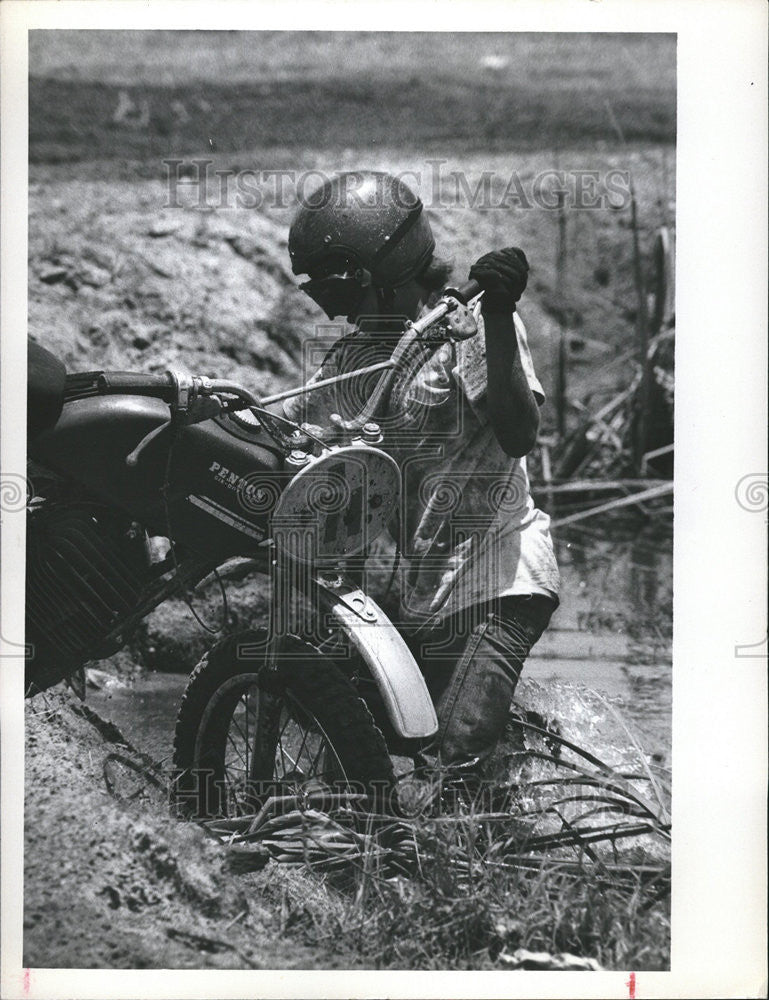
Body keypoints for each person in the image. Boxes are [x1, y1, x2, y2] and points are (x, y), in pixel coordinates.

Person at [284, 170, 560, 783]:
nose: (334, 309)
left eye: (339, 289)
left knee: (446, 773)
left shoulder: (472, 325)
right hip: (417, 597)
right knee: (350, 767)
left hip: (498, 576)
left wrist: (497, 318)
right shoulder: (354, 360)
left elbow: (520, 434)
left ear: (379, 273)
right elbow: (295, 451)